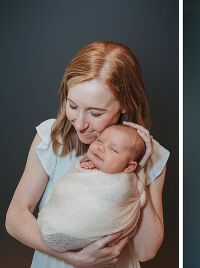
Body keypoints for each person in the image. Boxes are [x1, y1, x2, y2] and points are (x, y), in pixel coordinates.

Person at [5, 41, 171, 268]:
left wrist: (138, 170)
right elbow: (15, 218)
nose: (81, 124)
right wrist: (72, 257)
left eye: (95, 112)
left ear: (124, 105)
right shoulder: (52, 138)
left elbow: (146, 250)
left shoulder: (150, 155)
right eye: (73, 106)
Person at [37, 125, 148, 252]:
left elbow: (135, 200)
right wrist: (81, 167)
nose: (101, 148)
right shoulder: (84, 164)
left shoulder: (126, 184)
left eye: (113, 149)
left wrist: (143, 169)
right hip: (57, 225)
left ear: (129, 167)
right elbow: (68, 186)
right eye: (99, 141)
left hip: (94, 237)